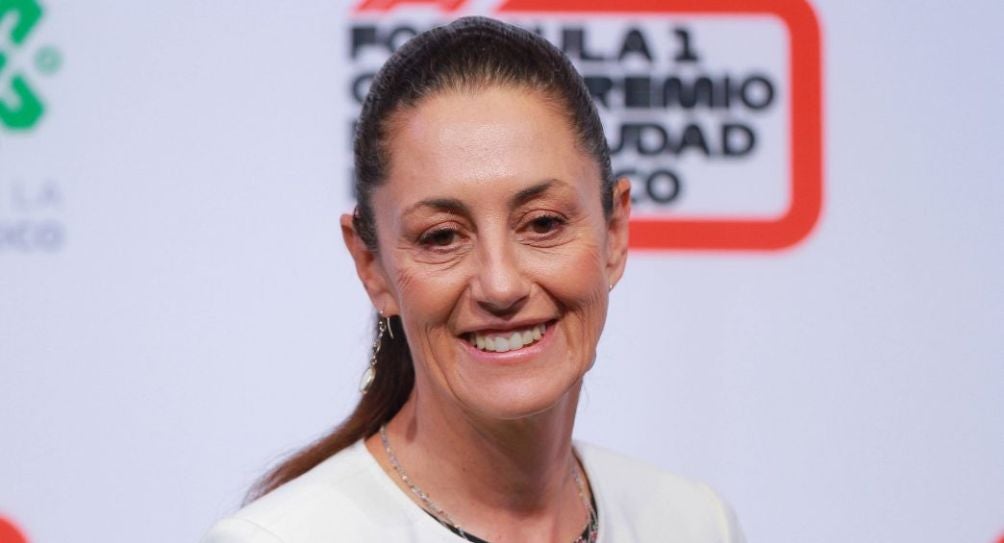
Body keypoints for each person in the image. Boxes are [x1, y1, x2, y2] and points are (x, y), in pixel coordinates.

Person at [203, 16, 744, 543]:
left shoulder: (695, 524)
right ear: (372, 266)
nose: (500, 285)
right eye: (442, 236)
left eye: (542, 223)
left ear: (615, 234)